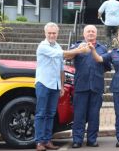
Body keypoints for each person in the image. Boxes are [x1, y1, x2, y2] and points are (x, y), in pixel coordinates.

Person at [35, 22, 90, 151]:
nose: (52, 35)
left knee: (51, 114)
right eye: (49, 33)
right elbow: (65, 54)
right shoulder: (43, 46)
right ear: (45, 33)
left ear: (57, 34)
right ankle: (39, 142)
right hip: (43, 84)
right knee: (41, 113)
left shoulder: (58, 46)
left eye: (54, 33)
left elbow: (61, 69)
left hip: (55, 86)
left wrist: (61, 86)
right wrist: (80, 49)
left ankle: (47, 140)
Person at [67, 25, 110, 148]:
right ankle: (77, 140)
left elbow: (106, 66)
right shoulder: (77, 46)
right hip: (81, 86)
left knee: (94, 115)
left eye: (93, 31)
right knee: (79, 115)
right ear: (84, 34)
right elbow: (67, 56)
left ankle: (92, 139)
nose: (90, 33)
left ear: (96, 34)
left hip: (96, 86)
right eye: (88, 31)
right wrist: (79, 50)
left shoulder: (102, 48)